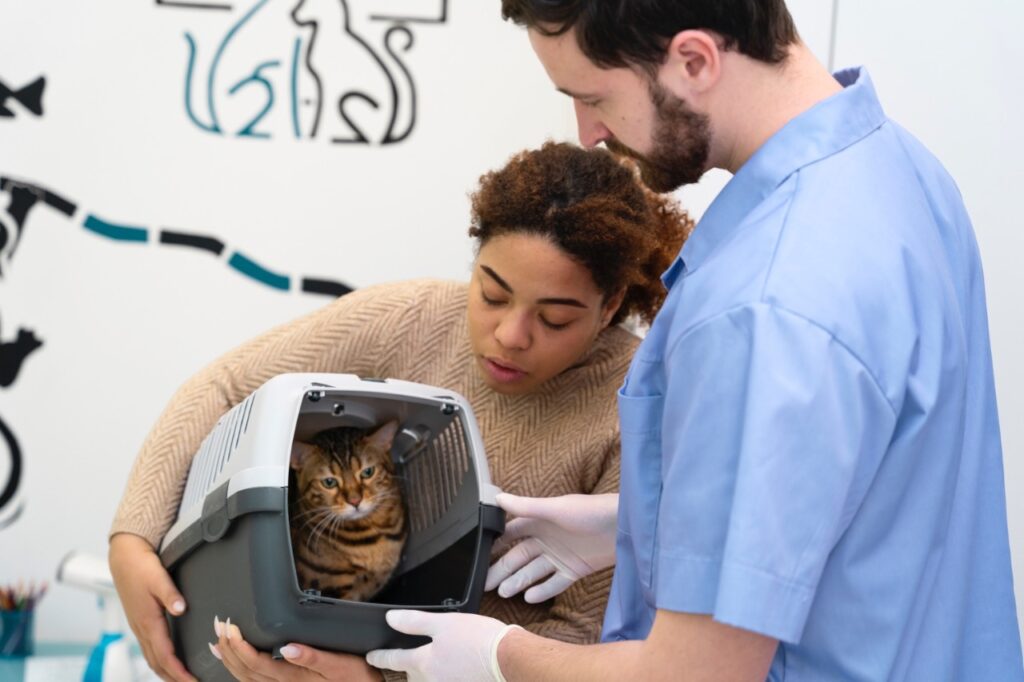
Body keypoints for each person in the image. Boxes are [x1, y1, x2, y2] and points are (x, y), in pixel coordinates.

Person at [361, 1, 1024, 681]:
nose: (588, 133)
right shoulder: (897, 171)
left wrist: (496, 656)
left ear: (694, 60)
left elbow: (695, 675)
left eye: (594, 98)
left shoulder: (763, 306)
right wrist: (634, 524)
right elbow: (877, 486)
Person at [107, 141, 691, 682]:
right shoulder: (412, 315)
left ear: (611, 304)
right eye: (491, 293)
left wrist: (380, 679)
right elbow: (225, 388)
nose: (511, 335)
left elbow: (581, 640)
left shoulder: (639, 406)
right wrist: (131, 541)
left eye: (555, 318)